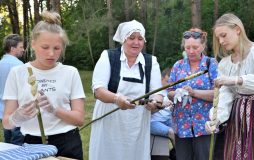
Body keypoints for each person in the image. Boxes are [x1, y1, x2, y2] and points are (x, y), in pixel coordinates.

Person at [2, 11, 85, 160]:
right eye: (45, 47)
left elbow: (79, 119)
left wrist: (54, 110)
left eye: (57, 48)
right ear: (33, 44)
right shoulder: (18, 72)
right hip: (31, 144)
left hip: (67, 143)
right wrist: (17, 117)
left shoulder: (70, 72)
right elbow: (7, 123)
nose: (51, 54)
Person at [89, 19, 164, 160]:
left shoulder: (151, 62)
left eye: (140, 38)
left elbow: (158, 94)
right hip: (109, 121)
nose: (136, 42)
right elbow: (98, 90)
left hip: (136, 124)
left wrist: (155, 103)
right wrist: (117, 99)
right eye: (132, 38)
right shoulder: (108, 56)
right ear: (123, 39)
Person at [205, 13, 254, 160]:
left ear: (237, 30)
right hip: (238, 121)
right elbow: (225, 95)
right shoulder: (225, 64)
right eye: (218, 38)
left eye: (223, 35)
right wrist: (216, 119)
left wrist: (238, 80)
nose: (221, 41)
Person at [167, 28, 218, 160]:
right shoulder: (178, 66)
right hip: (182, 127)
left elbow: (218, 94)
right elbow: (169, 92)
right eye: (187, 47)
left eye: (195, 47)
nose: (190, 51)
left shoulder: (211, 64)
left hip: (205, 126)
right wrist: (176, 93)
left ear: (203, 46)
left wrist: (194, 92)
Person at [0, 34, 25, 145]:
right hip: (17, 112)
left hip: (3, 112)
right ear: (12, 48)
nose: (23, 50)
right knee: (18, 145)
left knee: (8, 144)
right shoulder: (19, 65)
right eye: (21, 47)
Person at [150, 67, 175, 145]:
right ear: (161, 78)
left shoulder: (171, 91)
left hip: (167, 120)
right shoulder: (154, 90)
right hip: (153, 122)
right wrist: (162, 106)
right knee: (172, 133)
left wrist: (172, 108)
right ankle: (179, 155)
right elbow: (149, 112)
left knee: (181, 130)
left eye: (171, 82)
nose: (169, 84)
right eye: (167, 81)